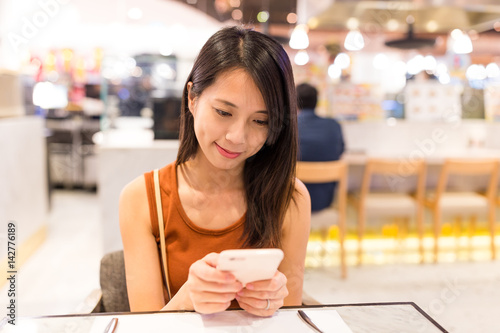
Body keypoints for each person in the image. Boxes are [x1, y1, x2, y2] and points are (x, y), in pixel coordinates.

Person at [119, 26, 311, 317]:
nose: (237, 137)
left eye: (260, 121)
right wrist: (187, 300)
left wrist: (275, 302)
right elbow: (144, 326)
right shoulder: (143, 199)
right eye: (224, 112)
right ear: (192, 98)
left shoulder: (290, 196)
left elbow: (291, 314)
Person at [297, 83, 345, 212]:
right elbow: (340, 151)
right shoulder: (333, 126)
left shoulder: (287, 127)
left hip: (292, 201)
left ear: (294, 102)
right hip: (324, 200)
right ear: (317, 102)